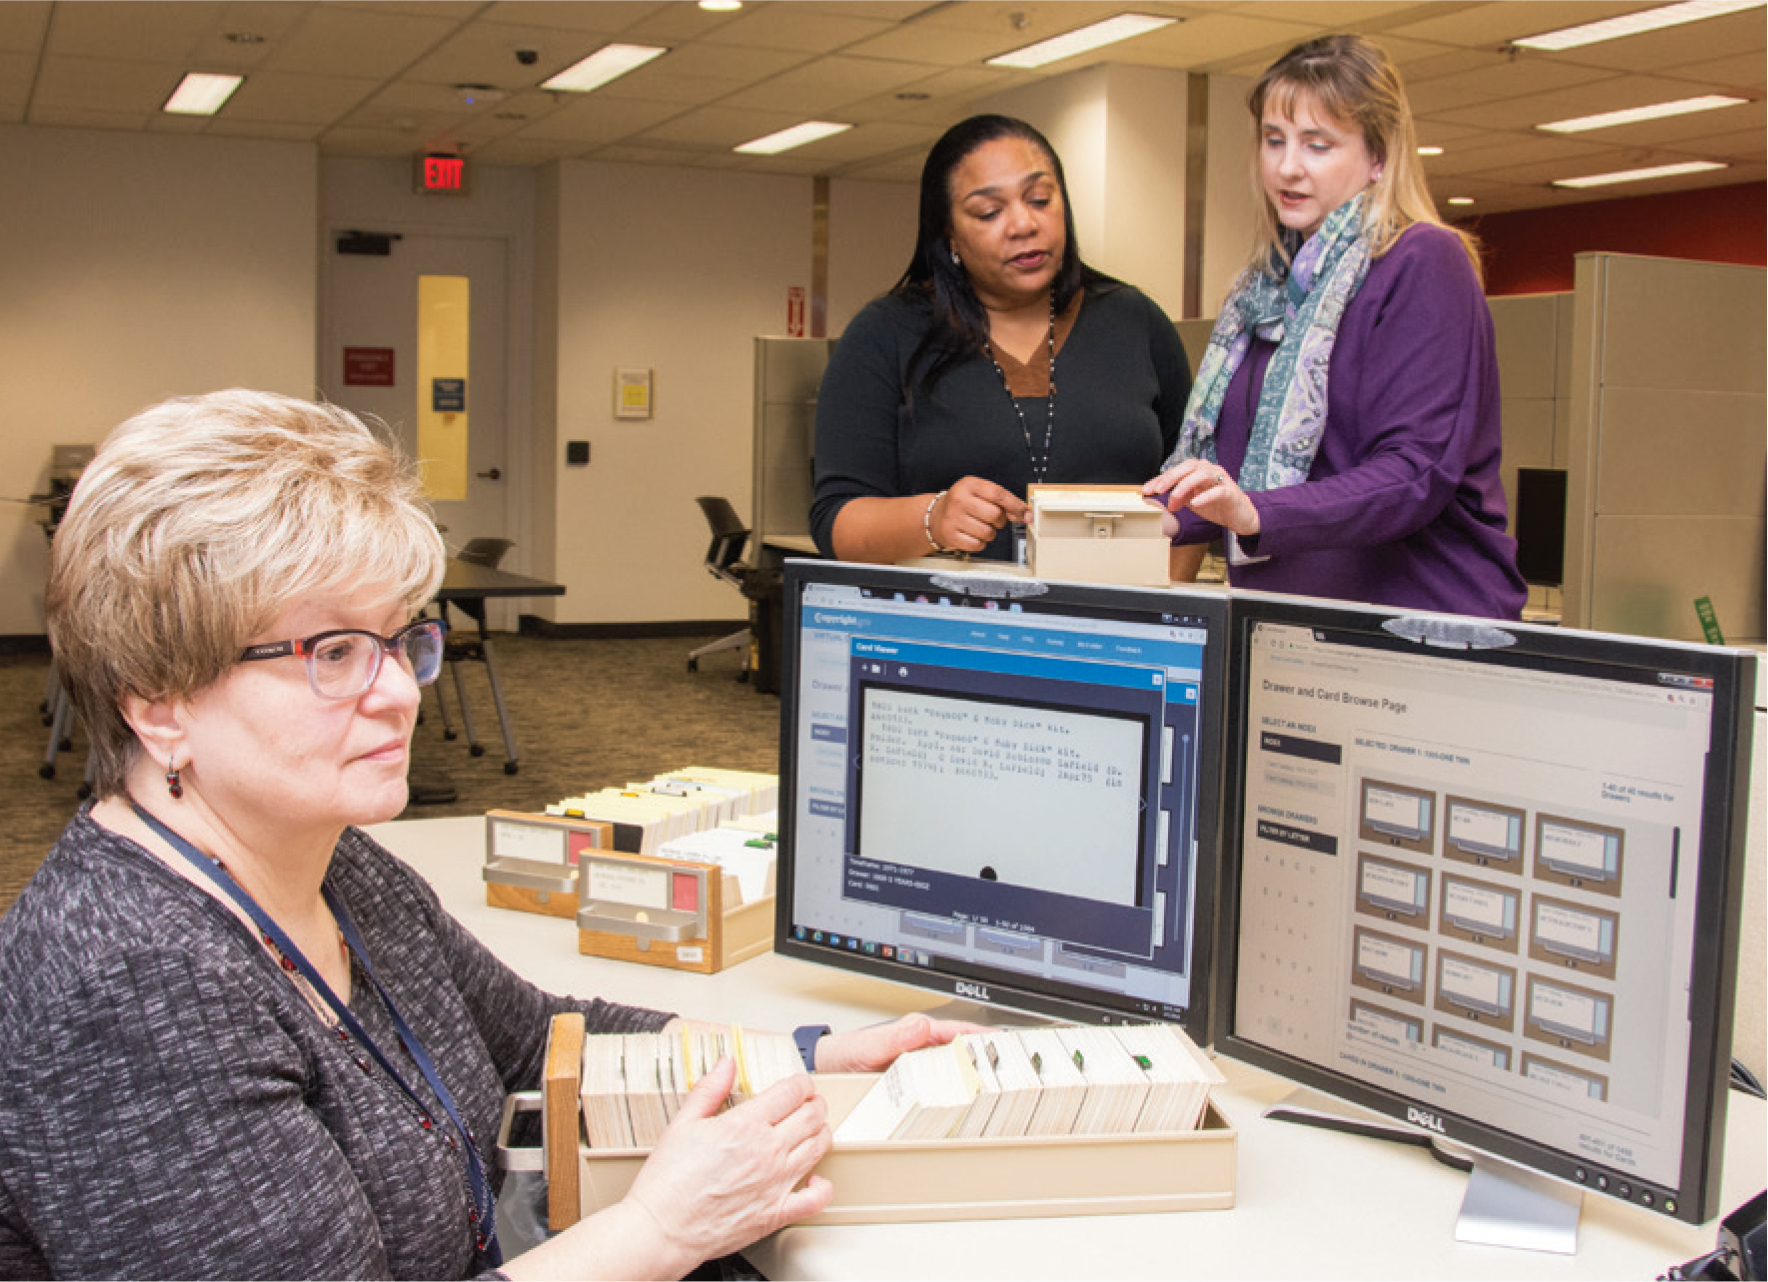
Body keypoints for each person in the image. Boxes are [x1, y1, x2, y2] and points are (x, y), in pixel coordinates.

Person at [0, 389, 970, 1281]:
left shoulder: (325, 860)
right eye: (331, 652)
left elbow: (534, 1036)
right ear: (159, 705)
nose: (394, 693)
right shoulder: (126, 981)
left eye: (396, 639)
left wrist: (806, 1053)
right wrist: (659, 1231)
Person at [1144, 34, 1526, 619]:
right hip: (1289, 617)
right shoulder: (1264, 289)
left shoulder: (1422, 261)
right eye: (1274, 141)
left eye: (1317, 145)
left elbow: (1416, 471)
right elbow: (1247, 478)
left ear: (1379, 158)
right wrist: (1163, 512)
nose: (1287, 167)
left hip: (1414, 621)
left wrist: (1255, 513)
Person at [811, 114, 1193, 565]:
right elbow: (836, 520)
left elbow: (1192, 490)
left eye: (1040, 199)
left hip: (1115, 625)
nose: (1023, 224)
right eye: (989, 212)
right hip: (948, 624)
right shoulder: (885, 333)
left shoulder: (1136, 321)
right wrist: (932, 520)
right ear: (948, 232)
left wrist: (1173, 608)